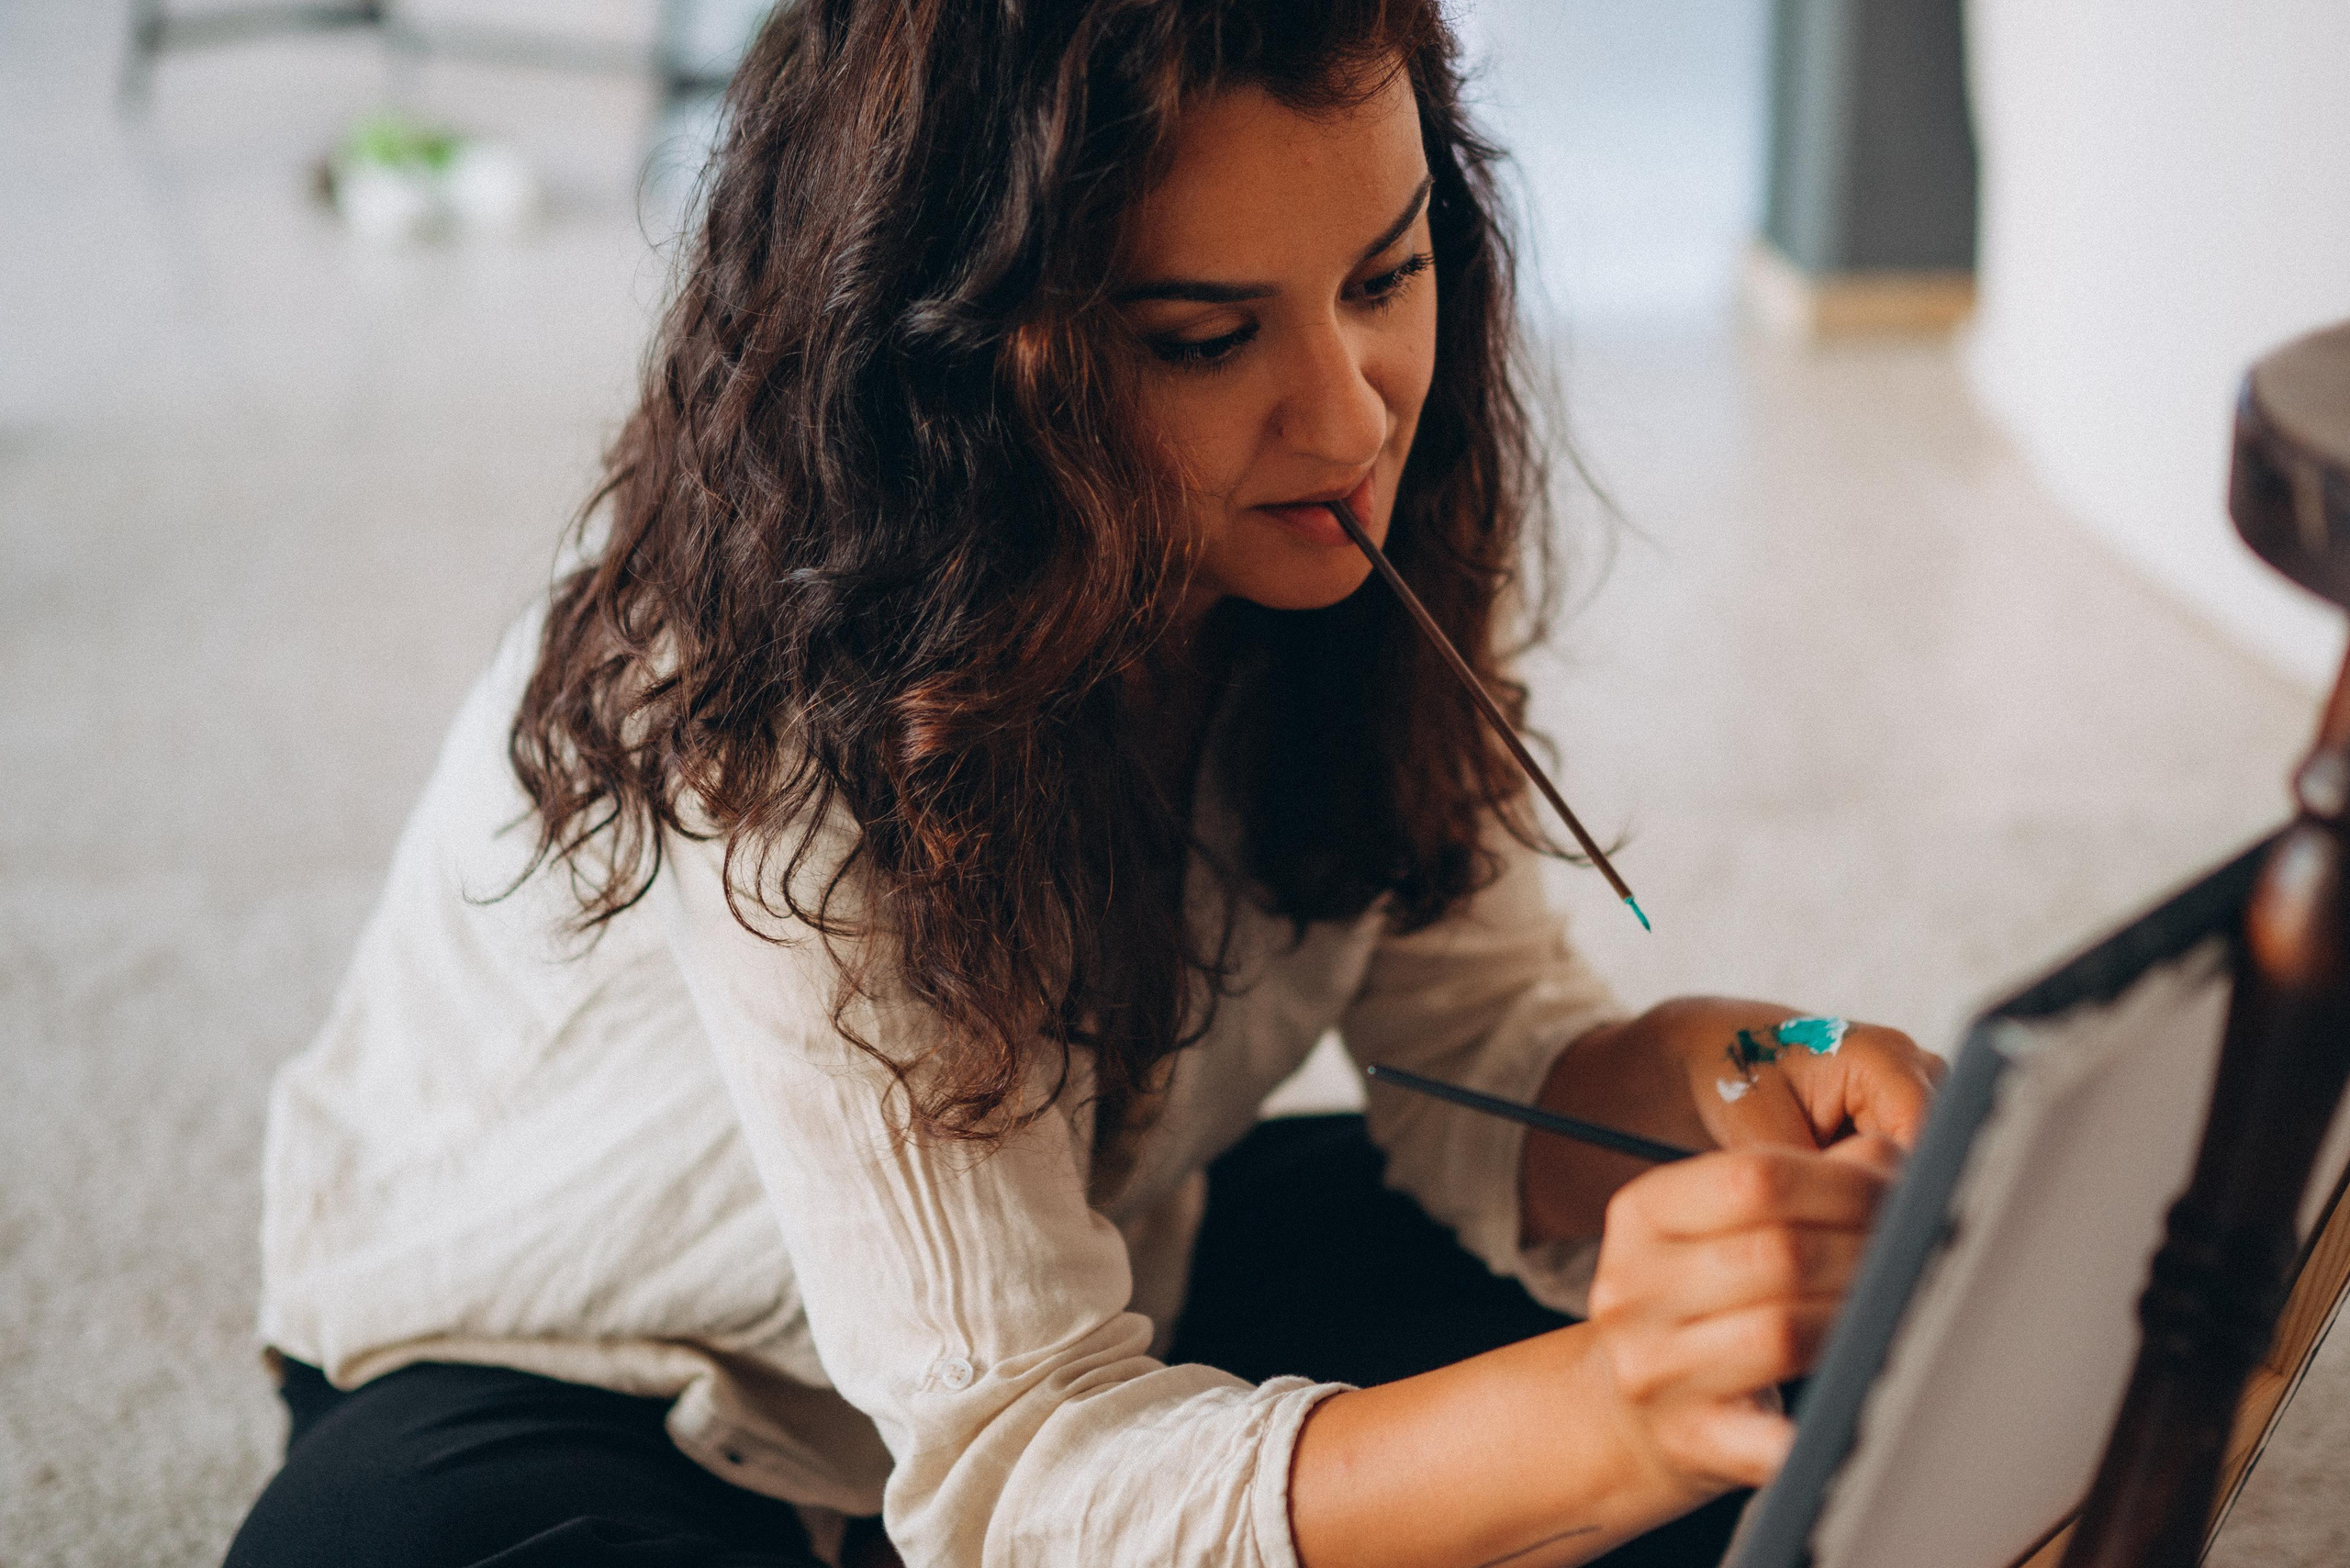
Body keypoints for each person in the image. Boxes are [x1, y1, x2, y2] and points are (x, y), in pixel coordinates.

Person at [226, 3, 1944, 1566]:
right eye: (1206, 338)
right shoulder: (767, 682)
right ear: (962, 358)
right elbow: (1019, 1471)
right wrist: (1608, 1425)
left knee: (1809, 1355)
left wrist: (1742, 1081)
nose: (1349, 419)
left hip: (1071, 1286)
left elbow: (1483, 1049)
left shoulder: (1327, 543)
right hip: (589, 1387)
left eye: (1387, 277)